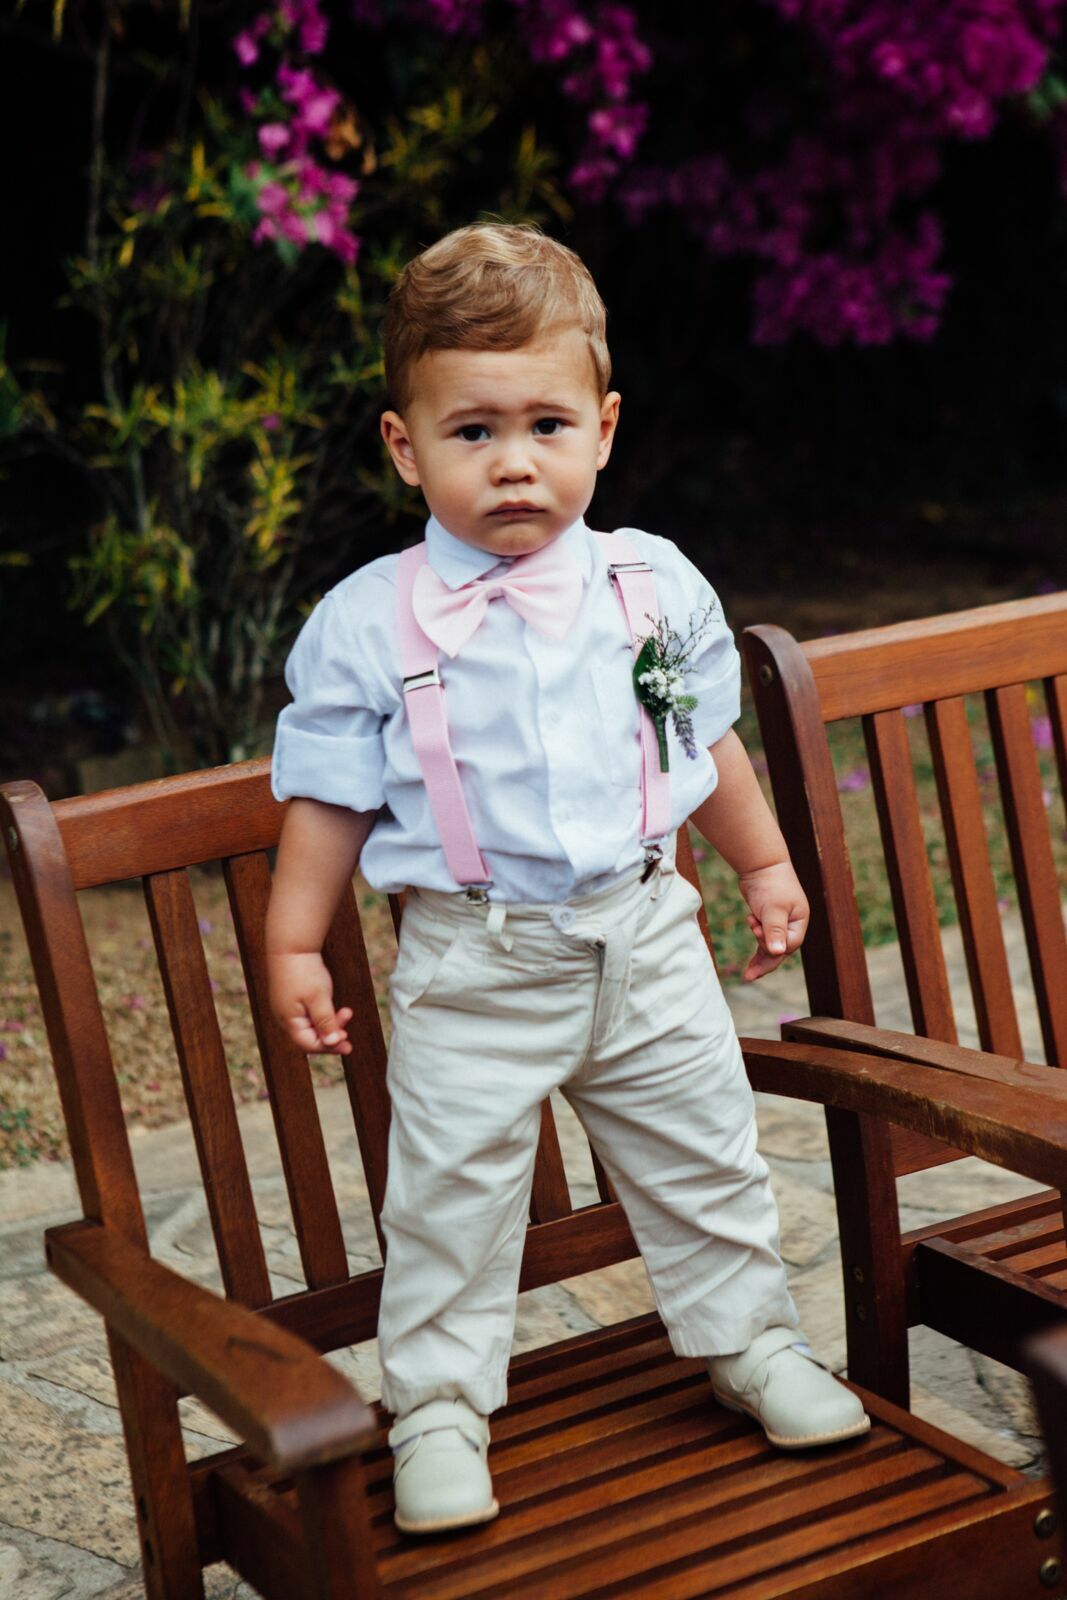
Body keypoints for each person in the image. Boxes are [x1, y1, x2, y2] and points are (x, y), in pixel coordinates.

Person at [266, 221, 869, 1536]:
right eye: (472, 431)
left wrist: (761, 861)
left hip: (644, 935)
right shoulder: (372, 622)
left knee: (705, 1155)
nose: (515, 461)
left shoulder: (650, 587)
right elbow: (326, 795)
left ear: (602, 428)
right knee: (452, 1194)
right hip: (474, 963)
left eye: (546, 424)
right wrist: (295, 945)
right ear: (403, 445)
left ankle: (749, 1341)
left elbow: (696, 734)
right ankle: (434, 1406)